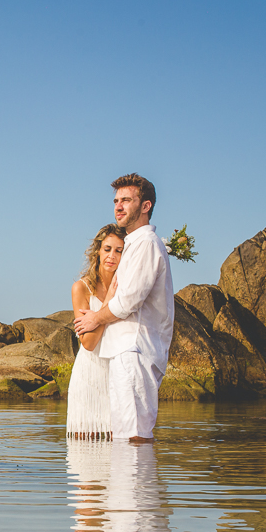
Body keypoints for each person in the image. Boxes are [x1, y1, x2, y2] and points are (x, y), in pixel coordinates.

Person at [74, 174, 174, 443]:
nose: (118, 206)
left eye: (126, 200)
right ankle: (128, 485)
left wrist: (95, 317)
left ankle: (134, 485)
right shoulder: (134, 245)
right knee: (126, 435)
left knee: (133, 436)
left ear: (145, 206)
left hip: (135, 350)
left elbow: (128, 301)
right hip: (128, 351)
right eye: (116, 201)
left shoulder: (145, 245)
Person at [67, 224, 125, 440]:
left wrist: (98, 317)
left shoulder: (128, 287)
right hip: (89, 375)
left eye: (119, 251)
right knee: (86, 446)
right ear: (98, 251)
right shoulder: (81, 288)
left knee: (118, 447)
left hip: (118, 373)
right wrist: (108, 301)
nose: (112, 256)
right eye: (107, 249)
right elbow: (88, 343)